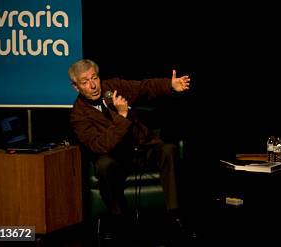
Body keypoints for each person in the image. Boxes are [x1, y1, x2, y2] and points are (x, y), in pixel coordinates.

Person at [68, 59, 196, 241]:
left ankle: (175, 216)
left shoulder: (111, 87)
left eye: (94, 78)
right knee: (103, 165)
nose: (93, 85)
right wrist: (121, 116)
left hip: (142, 148)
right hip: (116, 159)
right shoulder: (78, 116)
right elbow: (100, 145)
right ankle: (118, 219)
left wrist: (170, 85)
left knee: (168, 150)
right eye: (85, 82)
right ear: (76, 87)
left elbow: (143, 87)